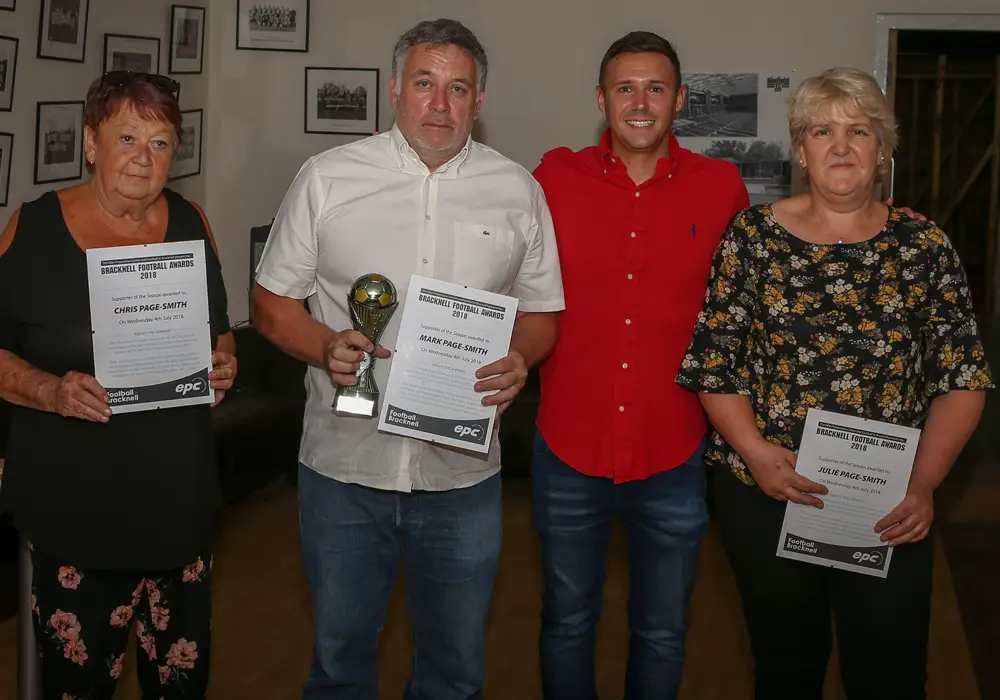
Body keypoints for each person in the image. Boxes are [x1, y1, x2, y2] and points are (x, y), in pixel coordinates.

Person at [250, 18, 564, 700]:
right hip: (344, 466)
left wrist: (521, 358)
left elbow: (542, 314)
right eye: (425, 84)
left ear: (479, 102)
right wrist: (323, 345)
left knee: (453, 673)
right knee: (339, 665)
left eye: (459, 89)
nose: (440, 105)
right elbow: (271, 304)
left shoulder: (518, 190)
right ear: (396, 90)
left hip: (462, 476)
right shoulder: (328, 178)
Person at [675, 66, 992, 699]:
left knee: (892, 676)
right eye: (823, 130)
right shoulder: (753, 239)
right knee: (787, 672)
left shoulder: (922, 245)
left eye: (859, 131)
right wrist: (758, 454)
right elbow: (715, 364)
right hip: (767, 492)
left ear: (882, 148)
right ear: (801, 148)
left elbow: (963, 376)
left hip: (887, 504)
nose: (841, 146)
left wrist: (924, 482)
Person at [0, 71, 236, 699]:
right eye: (126, 137)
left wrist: (223, 363)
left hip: (176, 507)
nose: (143, 158)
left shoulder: (192, 221)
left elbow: (219, 331)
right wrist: (51, 391)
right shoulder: (32, 230)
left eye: (160, 144)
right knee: (77, 685)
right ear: (89, 143)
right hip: (77, 508)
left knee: (180, 686)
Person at [528, 31, 748, 700]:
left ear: (680, 99)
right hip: (568, 445)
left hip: (675, 449)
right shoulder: (552, 179)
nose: (641, 102)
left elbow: (759, 285)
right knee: (567, 622)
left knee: (662, 631)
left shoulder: (722, 186)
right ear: (601, 99)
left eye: (656, 87)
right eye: (626, 87)